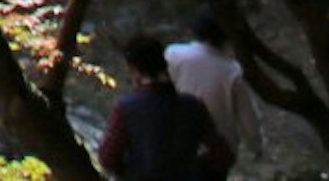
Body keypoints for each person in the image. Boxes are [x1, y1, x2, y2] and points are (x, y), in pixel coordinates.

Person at [101, 35, 237, 181]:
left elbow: (107, 158)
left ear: (133, 69)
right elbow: (223, 155)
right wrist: (194, 168)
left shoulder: (125, 108)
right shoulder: (193, 106)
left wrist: (127, 170)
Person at [167, 10, 267, 162]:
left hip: (177, 144)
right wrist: (256, 147)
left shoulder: (173, 54)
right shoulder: (232, 71)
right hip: (219, 152)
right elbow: (248, 118)